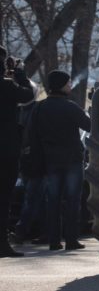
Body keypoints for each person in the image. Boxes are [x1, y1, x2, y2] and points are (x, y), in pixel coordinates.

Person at [34, 70, 91, 251]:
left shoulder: (40, 108)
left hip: (50, 159)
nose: (69, 86)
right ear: (61, 85)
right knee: (73, 200)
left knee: (52, 201)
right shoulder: (71, 107)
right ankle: (72, 239)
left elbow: (32, 134)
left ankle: (53, 240)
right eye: (67, 83)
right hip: (72, 159)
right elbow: (89, 126)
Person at [0, 46, 34, 258]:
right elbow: (28, 94)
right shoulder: (6, 86)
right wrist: (20, 74)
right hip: (6, 150)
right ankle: (2, 244)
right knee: (4, 198)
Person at [13, 81, 47, 246]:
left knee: (32, 198)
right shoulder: (21, 110)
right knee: (36, 199)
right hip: (27, 161)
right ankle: (40, 231)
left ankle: (22, 230)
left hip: (34, 161)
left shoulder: (36, 110)